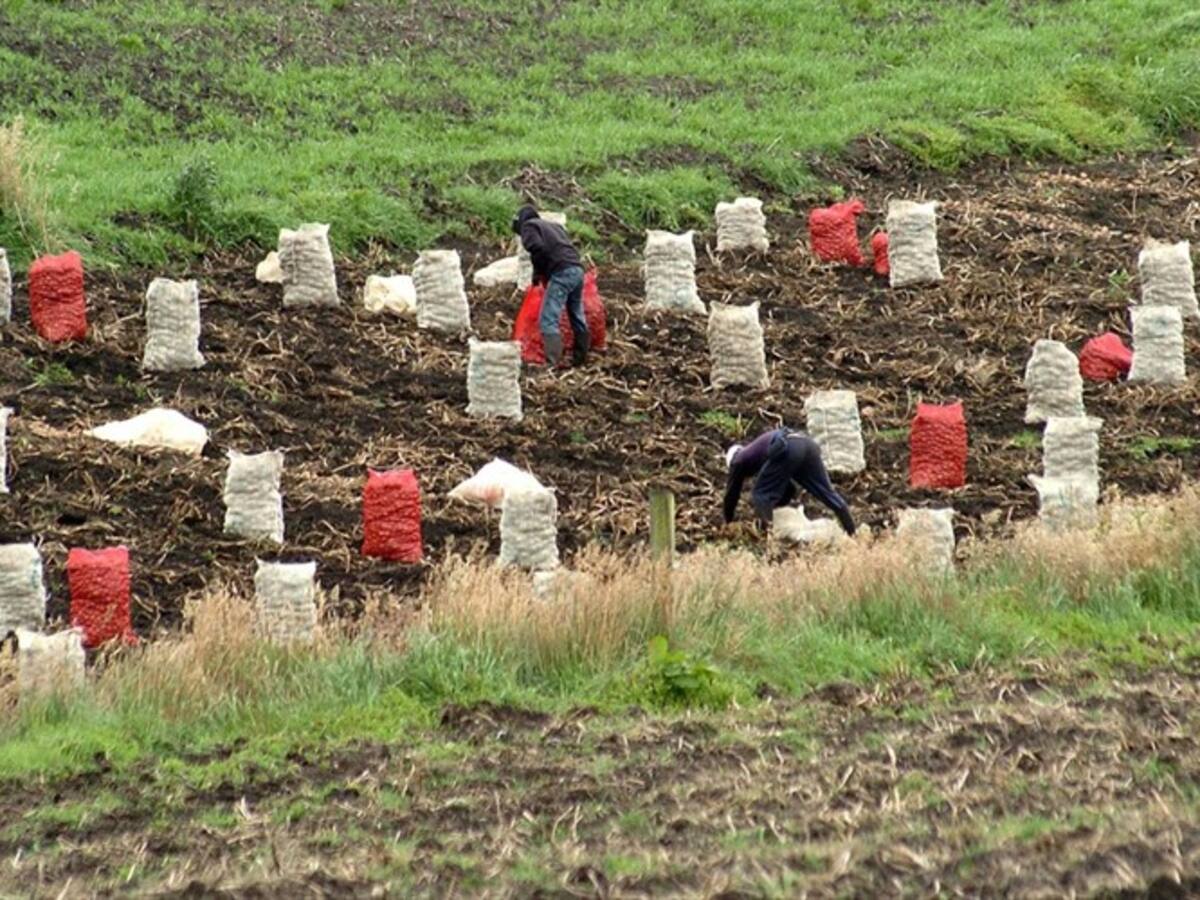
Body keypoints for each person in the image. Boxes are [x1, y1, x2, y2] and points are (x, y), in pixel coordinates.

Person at [723, 427, 856, 535]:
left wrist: (727, 521)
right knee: (828, 494)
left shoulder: (738, 460)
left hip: (788, 447)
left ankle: (766, 539)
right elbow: (788, 489)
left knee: (760, 495)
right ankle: (853, 532)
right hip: (807, 444)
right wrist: (773, 509)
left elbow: (731, 494)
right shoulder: (757, 455)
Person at [512, 204, 589, 367]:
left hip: (562, 273)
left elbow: (536, 248)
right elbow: (564, 248)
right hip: (577, 270)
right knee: (576, 314)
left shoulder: (529, 226)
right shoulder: (555, 227)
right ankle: (581, 356)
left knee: (548, 319)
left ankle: (552, 362)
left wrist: (539, 273)